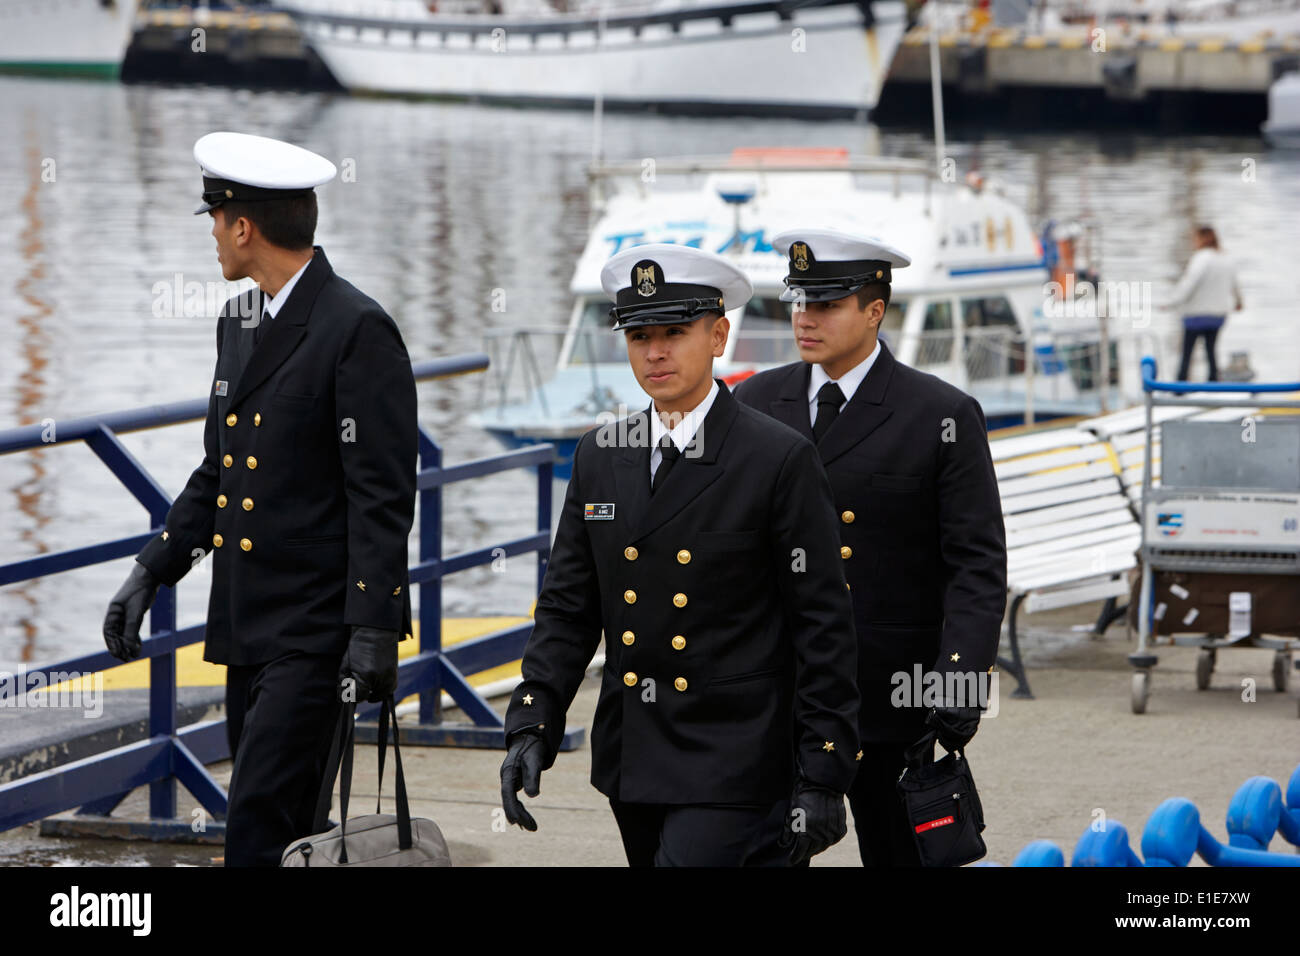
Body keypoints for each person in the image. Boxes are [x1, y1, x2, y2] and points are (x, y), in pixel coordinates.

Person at [101, 131, 418, 866]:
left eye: (215, 217)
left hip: (316, 634)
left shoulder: (355, 328)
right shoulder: (239, 323)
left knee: (258, 826)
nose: (211, 232)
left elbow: (382, 493)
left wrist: (373, 627)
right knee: (272, 825)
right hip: (246, 622)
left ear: (244, 227)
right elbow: (219, 470)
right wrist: (154, 567)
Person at [498, 243, 860, 867]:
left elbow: (822, 623)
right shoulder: (602, 454)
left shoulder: (776, 458)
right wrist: (533, 720)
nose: (656, 351)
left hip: (738, 757)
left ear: (718, 335)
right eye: (640, 336)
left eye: (674, 332)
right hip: (635, 753)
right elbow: (568, 607)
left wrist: (825, 770)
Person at [733, 228, 1007, 867]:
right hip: (775, 693)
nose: (805, 317)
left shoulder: (939, 413)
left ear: (875, 310)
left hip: (890, 695)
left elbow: (975, 562)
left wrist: (962, 675)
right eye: (799, 301)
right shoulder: (752, 401)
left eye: (825, 304)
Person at [1166, 225, 1242, 382]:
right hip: (1218, 316)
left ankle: (1180, 388)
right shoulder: (1226, 258)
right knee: (1211, 351)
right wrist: (1239, 302)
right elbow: (1235, 284)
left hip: (1196, 316)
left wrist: (1172, 302)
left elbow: (1189, 283)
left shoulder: (1201, 258)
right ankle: (1213, 384)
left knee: (1187, 353)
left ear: (1201, 239)